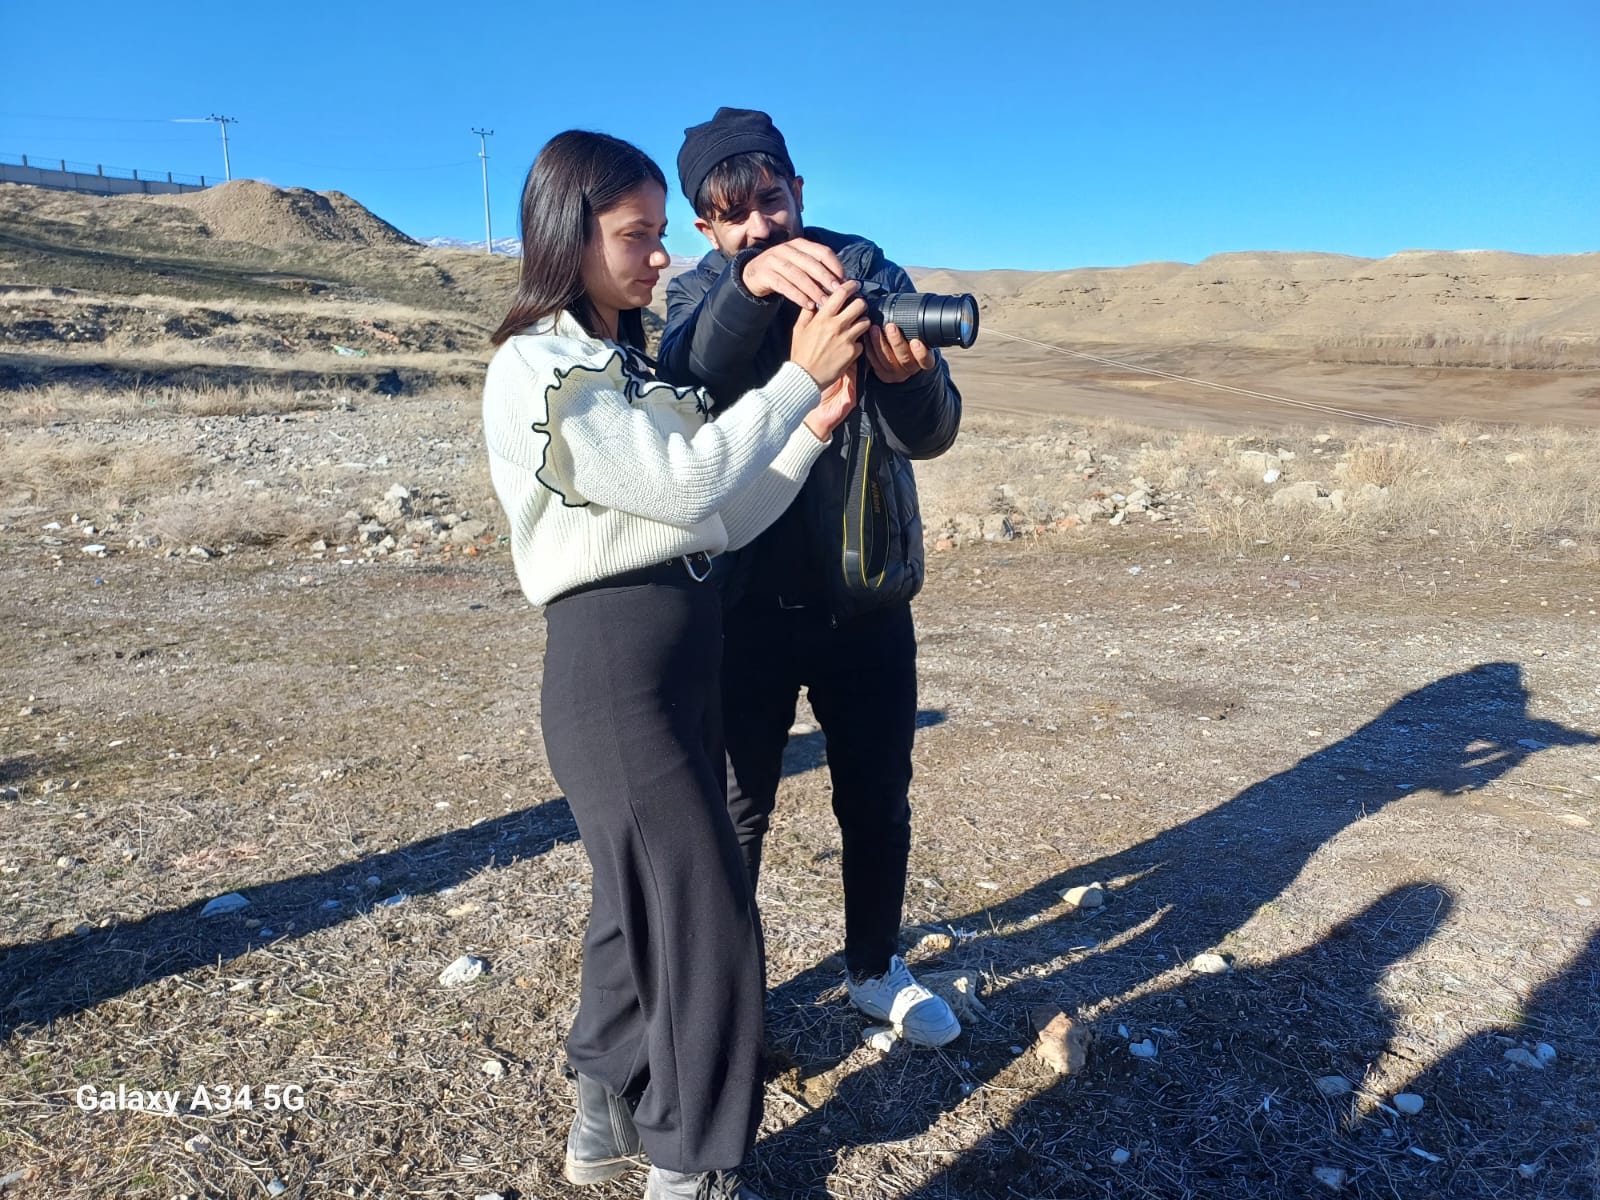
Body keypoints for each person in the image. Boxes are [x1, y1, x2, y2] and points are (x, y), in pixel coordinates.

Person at [482, 129, 868, 1200]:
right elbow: (692, 483)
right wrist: (794, 377)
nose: (659, 258)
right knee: (705, 920)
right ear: (568, 237)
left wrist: (808, 425)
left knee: (640, 903)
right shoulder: (540, 366)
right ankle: (691, 1163)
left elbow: (723, 514)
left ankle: (602, 1111)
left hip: (681, 659)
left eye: (660, 233)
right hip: (612, 669)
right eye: (636, 236)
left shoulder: (624, 365)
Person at [658, 109, 964, 1047]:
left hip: (864, 596)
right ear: (705, 228)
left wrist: (906, 377)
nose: (760, 225)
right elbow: (684, 373)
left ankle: (875, 968)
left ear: (800, 193)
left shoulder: (865, 266)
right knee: (737, 811)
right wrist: (750, 288)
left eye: (772, 201)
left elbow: (934, 430)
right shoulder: (698, 291)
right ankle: (728, 1000)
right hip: (738, 606)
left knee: (876, 793)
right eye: (731, 214)